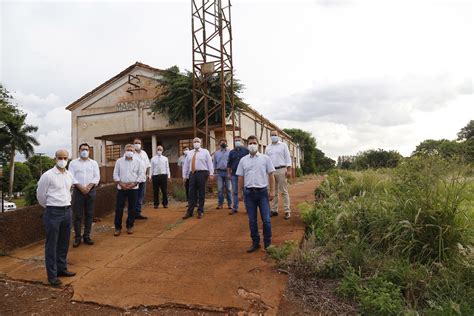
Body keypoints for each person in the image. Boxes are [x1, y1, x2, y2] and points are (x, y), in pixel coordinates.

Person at [36, 149, 76, 287]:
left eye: (65, 158)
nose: (63, 160)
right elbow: (40, 195)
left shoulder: (69, 175)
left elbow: (68, 191)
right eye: (60, 157)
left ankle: (62, 269)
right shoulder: (48, 176)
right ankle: (52, 275)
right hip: (53, 212)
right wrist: (51, 207)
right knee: (52, 244)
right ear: (55, 158)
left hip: (67, 210)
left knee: (64, 242)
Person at [237, 136, 275, 253]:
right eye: (250, 143)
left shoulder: (265, 159)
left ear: (258, 145)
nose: (252, 145)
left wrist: (272, 191)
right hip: (249, 194)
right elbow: (240, 177)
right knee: (252, 220)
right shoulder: (243, 160)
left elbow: (271, 175)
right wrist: (239, 192)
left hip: (262, 193)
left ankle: (267, 243)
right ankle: (255, 243)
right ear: (247, 145)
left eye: (254, 143)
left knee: (266, 220)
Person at [68, 143, 100, 248]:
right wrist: (81, 187)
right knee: (77, 215)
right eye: (82, 149)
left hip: (91, 190)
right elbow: (71, 177)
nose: (84, 151)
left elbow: (97, 177)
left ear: (89, 151)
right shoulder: (73, 163)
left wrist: (89, 187)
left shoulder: (94, 163)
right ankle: (77, 237)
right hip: (78, 191)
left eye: (86, 149)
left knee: (89, 214)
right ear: (79, 151)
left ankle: (87, 236)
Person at [113, 144, 145, 236]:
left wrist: (134, 184)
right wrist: (121, 184)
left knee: (132, 208)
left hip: (134, 188)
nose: (129, 152)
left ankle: (130, 226)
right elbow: (115, 174)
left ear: (134, 152)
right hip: (121, 188)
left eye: (131, 150)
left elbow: (141, 175)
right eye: (128, 150)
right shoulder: (119, 161)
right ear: (124, 151)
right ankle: (117, 227)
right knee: (119, 208)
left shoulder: (138, 162)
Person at [182, 137, 214, 219]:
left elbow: (210, 163)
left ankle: (200, 211)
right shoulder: (189, 153)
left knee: (201, 192)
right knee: (191, 192)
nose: (196, 142)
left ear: (200, 143)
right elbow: (186, 165)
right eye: (194, 141)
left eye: (197, 141)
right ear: (193, 143)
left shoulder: (205, 152)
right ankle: (190, 212)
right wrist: (184, 176)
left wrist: (211, 173)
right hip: (192, 174)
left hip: (202, 173)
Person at [265, 130, 292, 220]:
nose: (273, 136)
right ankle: (274, 210)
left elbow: (288, 157)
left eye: (275, 135)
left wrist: (288, 170)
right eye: (272, 135)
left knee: (283, 191)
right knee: (273, 191)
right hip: (271, 171)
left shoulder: (283, 146)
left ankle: (287, 211)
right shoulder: (268, 147)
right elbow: (266, 160)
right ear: (270, 136)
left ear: (278, 136)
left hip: (281, 170)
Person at [227, 135, 249, 214]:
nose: (237, 142)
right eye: (236, 141)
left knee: (246, 191)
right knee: (235, 191)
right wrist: (229, 174)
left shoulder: (246, 151)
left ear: (242, 142)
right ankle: (235, 208)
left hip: (245, 175)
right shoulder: (231, 152)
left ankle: (248, 208)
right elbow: (229, 164)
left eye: (239, 140)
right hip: (234, 175)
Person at [132, 138, 150, 220]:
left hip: (143, 179)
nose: (137, 144)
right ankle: (132, 213)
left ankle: (138, 213)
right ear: (133, 144)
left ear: (141, 144)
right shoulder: (130, 153)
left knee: (141, 196)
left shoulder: (144, 153)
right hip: (134, 180)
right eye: (135, 143)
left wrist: (148, 175)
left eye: (139, 143)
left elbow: (148, 165)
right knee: (133, 196)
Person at [213, 138, 232, 210]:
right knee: (220, 189)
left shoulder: (230, 152)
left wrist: (230, 172)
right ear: (219, 144)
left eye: (224, 142)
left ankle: (230, 204)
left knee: (228, 189)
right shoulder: (216, 153)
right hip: (219, 173)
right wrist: (214, 173)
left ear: (226, 143)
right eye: (221, 143)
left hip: (227, 172)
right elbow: (214, 163)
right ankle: (220, 204)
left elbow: (231, 162)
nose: (223, 144)